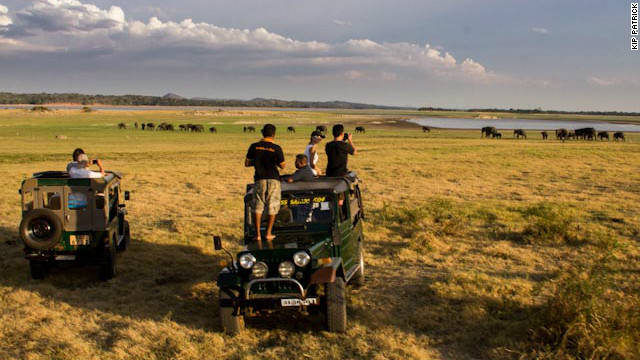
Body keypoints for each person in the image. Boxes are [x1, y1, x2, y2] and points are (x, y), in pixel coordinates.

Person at [245, 124, 285, 241]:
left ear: (262, 133)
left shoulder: (254, 146)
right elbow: (282, 166)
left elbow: (247, 163)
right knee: (272, 206)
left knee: (258, 206)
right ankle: (268, 233)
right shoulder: (276, 148)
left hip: (259, 179)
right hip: (273, 179)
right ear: (274, 134)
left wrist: (258, 162)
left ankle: (257, 234)